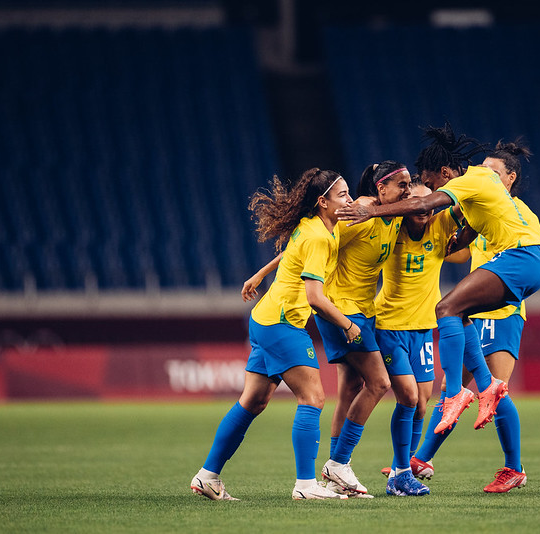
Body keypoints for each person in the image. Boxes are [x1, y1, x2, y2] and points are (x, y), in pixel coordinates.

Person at [336, 124, 540, 492]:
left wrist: (374, 212)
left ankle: (458, 402)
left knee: (446, 311)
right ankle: (418, 456)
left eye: (432, 181)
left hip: (516, 268)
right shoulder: (454, 209)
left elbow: (424, 204)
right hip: (415, 318)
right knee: (441, 378)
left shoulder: (468, 184)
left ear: (446, 174)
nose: (432, 188)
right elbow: (464, 230)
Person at [190, 168, 359, 501]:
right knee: (313, 398)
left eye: (350, 193)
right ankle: (306, 486)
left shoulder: (316, 226)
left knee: (253, 400)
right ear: (323, 202)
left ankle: (207, 476)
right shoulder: (318, 236)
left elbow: (289, 255)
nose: (350, 200)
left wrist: (260, 273)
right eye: (343, 195)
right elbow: (315, 298)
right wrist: (347, 324)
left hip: (265, 318)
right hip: (283, 323)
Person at [412, 139, 533, 493]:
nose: (486, 177)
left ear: (510, 178)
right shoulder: (480, 207)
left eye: (495, 173)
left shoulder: (516, 211)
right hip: (473, 312)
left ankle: (514, 467)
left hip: (501, 312)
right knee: (458, 387)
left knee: (492, 390)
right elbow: (459, 255)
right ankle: (421, 459)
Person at [314, 161, 413, 498]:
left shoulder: (393, 215)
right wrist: (265, 273)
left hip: (364, 310)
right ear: (379, 189)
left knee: (349, 388)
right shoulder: (360, 214)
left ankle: (333, 477)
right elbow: (313, 244)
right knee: (379, 382)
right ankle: (338, 463)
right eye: (400, 185)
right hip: (342, 309)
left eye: (409, 183)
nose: (407, 190)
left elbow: (425, 203)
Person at [372, 176, 463, 495]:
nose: (424, 208)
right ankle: (398, 473)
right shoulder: (391, 227)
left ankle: (405, 467)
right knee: (408, 397)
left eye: (430, 203)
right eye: (417, 203)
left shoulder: (440, 227)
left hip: (423, 329)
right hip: (388, 326)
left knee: (422, 404)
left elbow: (472, 212)